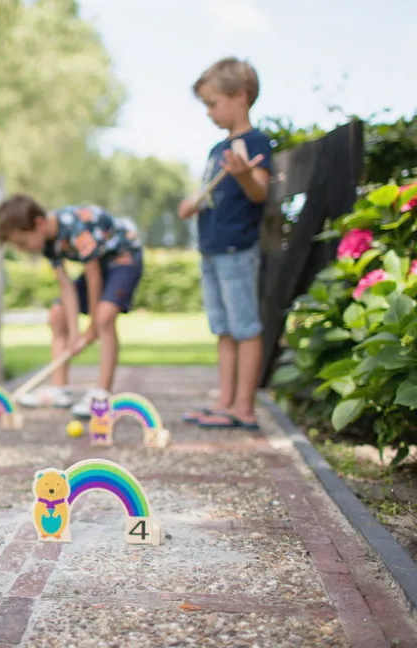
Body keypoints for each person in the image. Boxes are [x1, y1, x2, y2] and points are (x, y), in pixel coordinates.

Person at [178, 56, 272, 430]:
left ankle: (243, 408)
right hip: (213, 249)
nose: (209, 112)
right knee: (223, 328)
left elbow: (258, 191)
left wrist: (245, 175)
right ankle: (225, 401)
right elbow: (209, 194)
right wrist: (193, 204)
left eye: (213, 103)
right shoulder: (217, 150)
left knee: (244, 328)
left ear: (241, 97)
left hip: (236, 250)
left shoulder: (254, 142)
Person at [0, 195, 143, 418]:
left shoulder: (76, 228)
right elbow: (66, 287)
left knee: (104, 317)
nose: (23, 250)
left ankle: (101, 395)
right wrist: (74, 333)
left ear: (39, 224)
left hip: (124, 258)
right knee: (57, 315)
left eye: (23, 243)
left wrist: (91, 327)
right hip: (100, 264)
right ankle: (59, 389)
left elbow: (93, 276)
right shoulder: (48, 243)